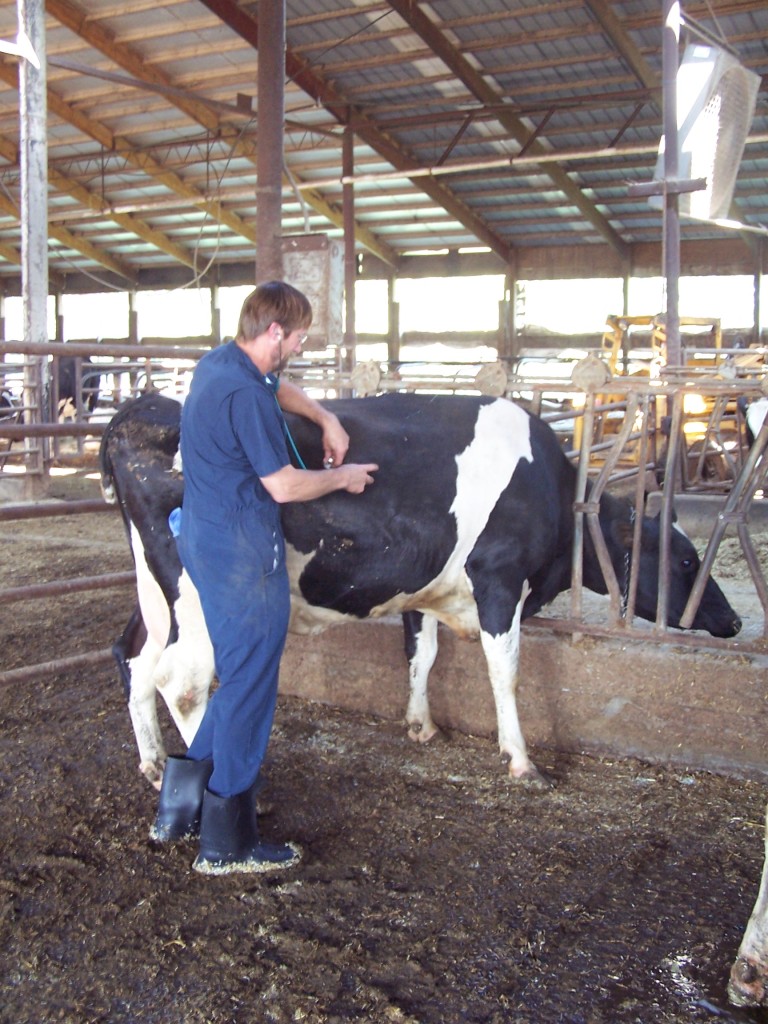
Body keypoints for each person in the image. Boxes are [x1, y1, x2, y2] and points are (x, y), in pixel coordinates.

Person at [151, 281, 378, 875]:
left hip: (203, 537)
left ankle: (178, 808)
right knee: (251, 683)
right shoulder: (243, 396)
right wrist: (345, 476)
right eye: (299, 335)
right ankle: (228, 844)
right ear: (275, 332)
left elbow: (279, 386)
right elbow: (283, 485)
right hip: (244, 556)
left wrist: (325, 416)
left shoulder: (220, 364)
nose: (300, 346)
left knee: (241, 677)